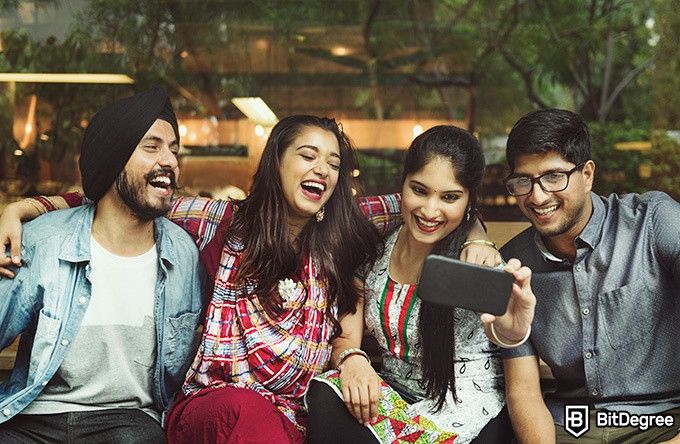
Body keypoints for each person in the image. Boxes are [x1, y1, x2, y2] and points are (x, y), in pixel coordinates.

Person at [0, 116, 500, 442]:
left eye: (333, 163)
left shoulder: (343, 228)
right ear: (276, 160)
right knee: (250, 416)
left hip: (297, 410)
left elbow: (436, 204)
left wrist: (479, 234)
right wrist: (24, 207)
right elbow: (132, 195)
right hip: (213, 406)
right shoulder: (222, 222)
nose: (322, 170)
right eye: (307, 155)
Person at [306, 125, 536, 444]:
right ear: (402, 186)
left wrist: (513, 329)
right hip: (396, 401)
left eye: (449, 197)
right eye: (419, 190)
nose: (429, 210)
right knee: (326, 393)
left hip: (465, 408)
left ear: (470, 201)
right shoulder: (375, 253)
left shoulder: (476, 260)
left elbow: (504, 330)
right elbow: (347, 331)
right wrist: (352, 359)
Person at [0, 87, 204, 443]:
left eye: (174, 149)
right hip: (34, 417)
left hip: (126, 423)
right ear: (114, 159)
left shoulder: (184, 255)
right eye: (152, 146)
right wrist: (16, 210)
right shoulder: (45, 243)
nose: (170, 161)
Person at [499, 108, 680, 443]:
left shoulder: (653, 223)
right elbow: (523, 393)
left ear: (587, 174)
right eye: (524, 180)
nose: (537, 197)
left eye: (554, 177)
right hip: (571, 425)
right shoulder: (513, 263)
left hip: (663, 423)